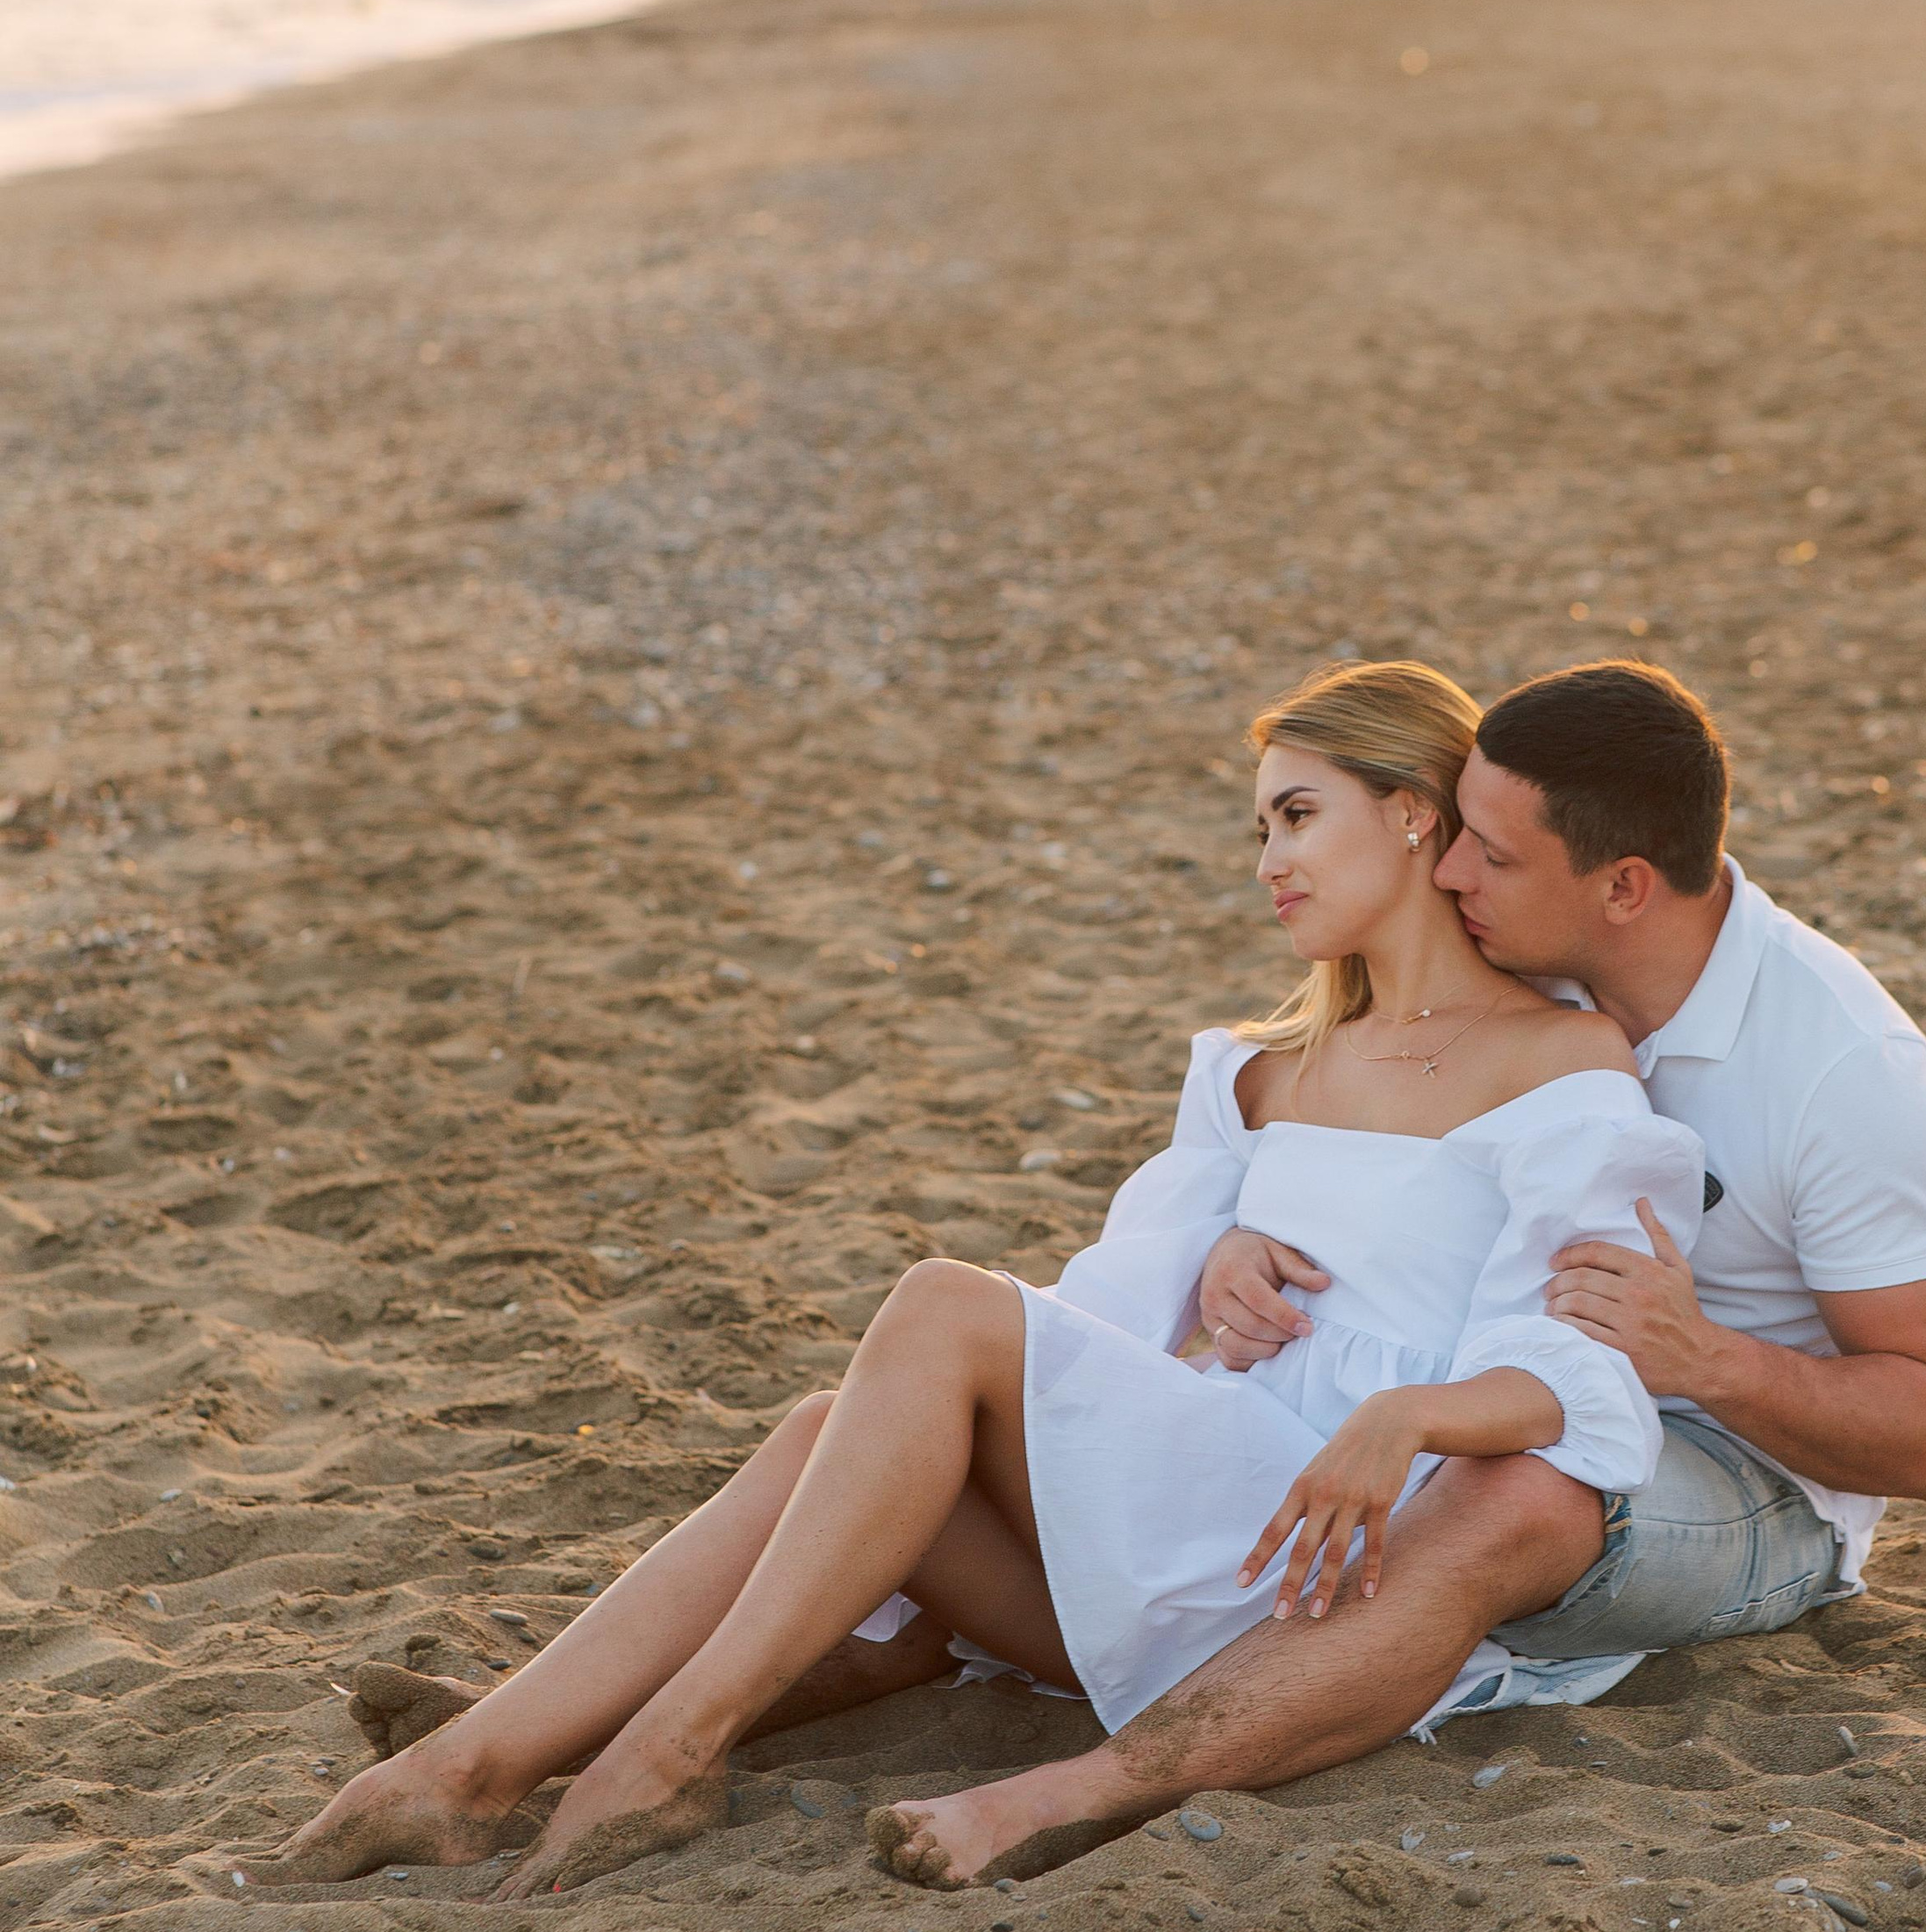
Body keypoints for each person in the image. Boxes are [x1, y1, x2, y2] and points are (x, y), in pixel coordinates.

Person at [225, 660, 1706, 1900]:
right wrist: (1209, 1263)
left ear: (1411, 812)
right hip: (1161, 1545)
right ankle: (474, 1765)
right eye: (1258, 827)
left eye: (1297, 817)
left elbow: (1584, 1381)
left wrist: (1410, 1419)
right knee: (829, 1426)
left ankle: (655, 1748)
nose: (1268, 862)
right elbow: (1102, 1318)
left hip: (1320, 1566)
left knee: (939, 1304)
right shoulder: (1258, 1079)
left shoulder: (1561, 1064)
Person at [868, 659, 1926, 1887]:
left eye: (1490, 858)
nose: (1451, 873)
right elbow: (1383, 1148)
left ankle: (1079, 1795)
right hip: (1532, 1379)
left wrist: (1706, 1359)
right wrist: (1232, 1232)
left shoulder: (1847, 1072)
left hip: (1751, 1469)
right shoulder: (1540, 970)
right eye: (1457, 836)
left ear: (1621, 886)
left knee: (1517, 1490)